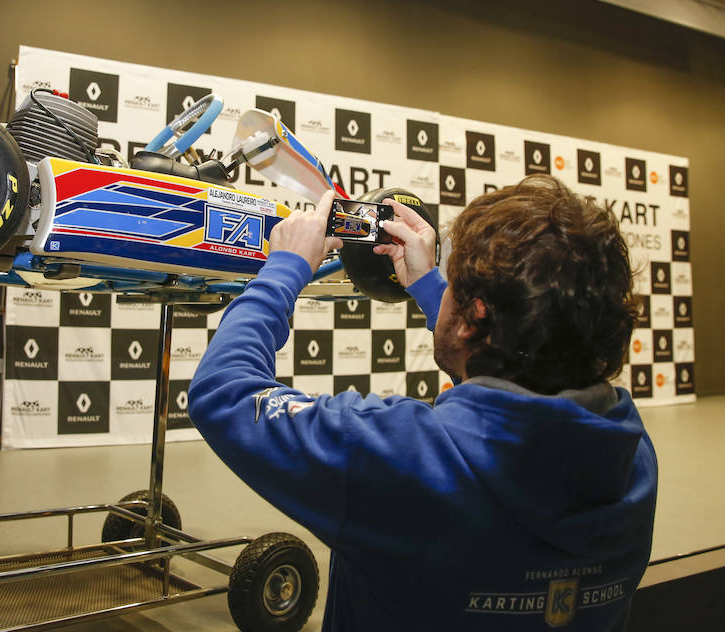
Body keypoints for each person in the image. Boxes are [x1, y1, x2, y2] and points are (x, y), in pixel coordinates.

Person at [187, 175, 657, 631]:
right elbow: (525, 382)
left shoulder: (395, 455)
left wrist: (286, 266)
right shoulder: (633, 457)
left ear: (475, 317)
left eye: (451, 281)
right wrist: (429, 285)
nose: (443, 287)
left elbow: (223, 390)